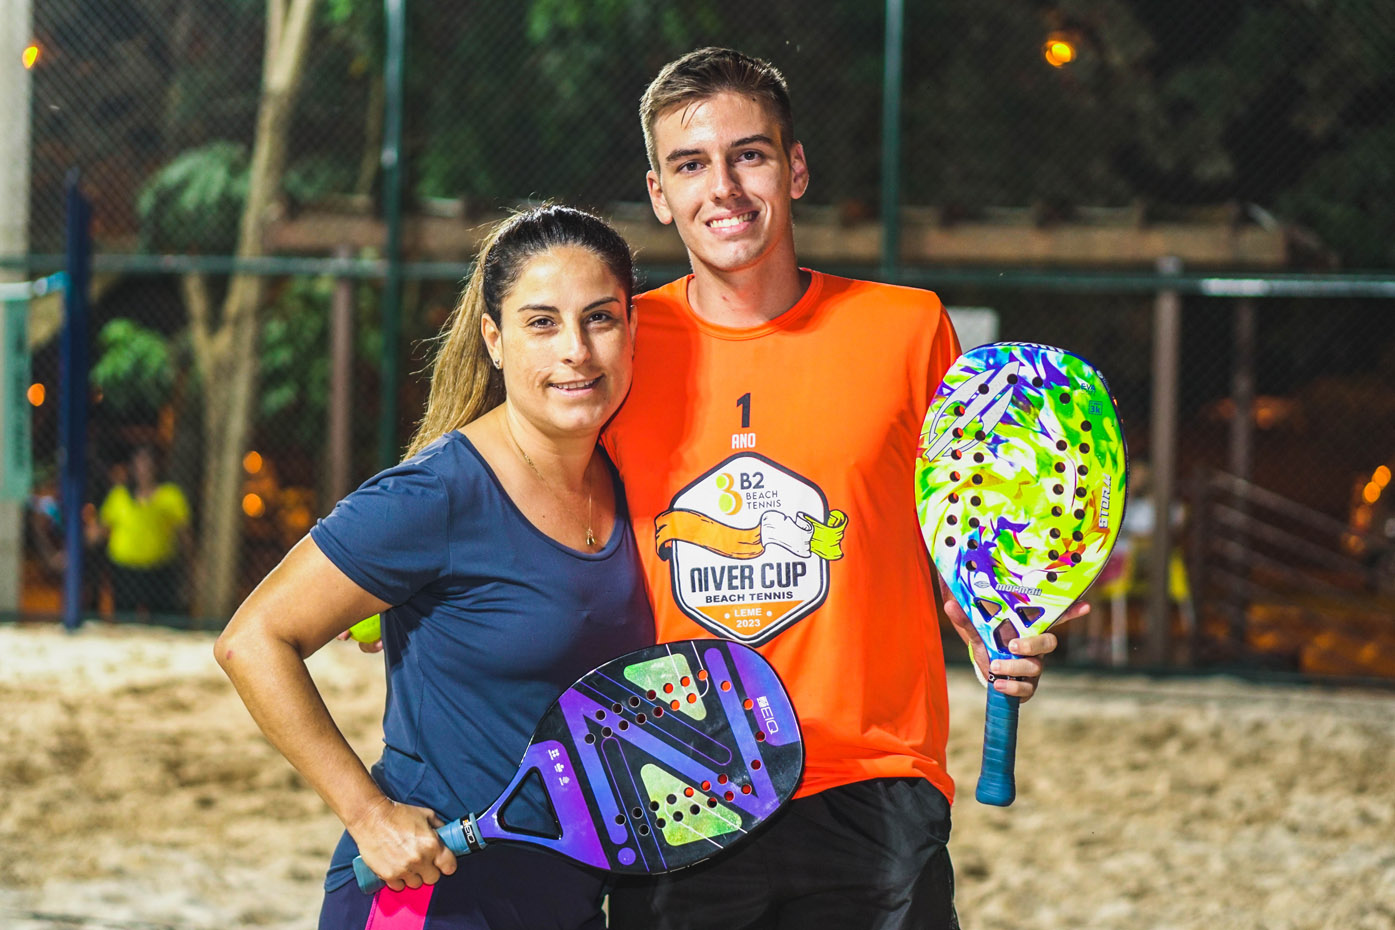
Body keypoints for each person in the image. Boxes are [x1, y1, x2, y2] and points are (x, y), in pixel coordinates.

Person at [602, 48, 1087, 929]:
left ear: (794, 169)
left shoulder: (906, 329)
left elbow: (959, 529)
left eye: (749, 155)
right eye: (690, 164)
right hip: (680, 781)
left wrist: (987, 615)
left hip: (871, 786)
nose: (724, 188)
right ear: (658, 193)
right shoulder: (618, 346)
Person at [215, 206, 654, 930]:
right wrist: (368, 814)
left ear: (632, 329)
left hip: (566, 900)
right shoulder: (438, 492)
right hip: (433, 898)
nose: (575, 350)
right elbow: (251, 640)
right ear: (494, 340)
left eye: (599, 318)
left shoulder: (634, 479)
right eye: (541, 323)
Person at [88, 444, 192, 616]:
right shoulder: (119, 496)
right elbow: (102, 531)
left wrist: (190, 568)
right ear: (133, 466)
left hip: (159, 571)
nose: (145, 468)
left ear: (158, 466)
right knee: (125, 618)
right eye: (140, 462)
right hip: (125, 572)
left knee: (163, 618)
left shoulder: (171, 496)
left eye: (149, 462)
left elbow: (185, 535)